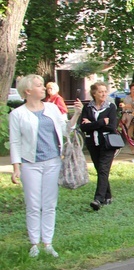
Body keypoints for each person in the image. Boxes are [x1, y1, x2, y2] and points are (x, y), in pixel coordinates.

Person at [9, 74, 83, 257]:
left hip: (53, 162)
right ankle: (34, 243)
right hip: (30, 164)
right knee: (33, 205)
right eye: (39, 86)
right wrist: (16, 167)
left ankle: (48, 243)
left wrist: (77, 115)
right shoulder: (17, 114)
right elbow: (15, 142)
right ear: (28, 91)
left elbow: (66, 129)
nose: (44, 88)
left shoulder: (51, 108)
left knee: (49, 204)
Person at [79, 82, 119, 211]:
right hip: (92, 143)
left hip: (107, 143)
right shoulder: (88, 107)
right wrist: (101, 122)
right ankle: (108, 195)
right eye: (100, 91)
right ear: (94, 93)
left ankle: (98, 199)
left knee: (103, 169)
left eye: (105, 91)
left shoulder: (111, 107)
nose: (103, 94)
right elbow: (83, 126)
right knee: (100, 169)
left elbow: (112, 126)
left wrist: (93, 124)